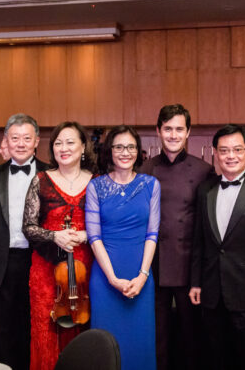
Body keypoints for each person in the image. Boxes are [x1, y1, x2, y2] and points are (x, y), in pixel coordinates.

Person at [189, 124, 245, 370]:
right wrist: (196, 281)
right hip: (211, 290)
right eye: (224, 150)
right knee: (216, 357)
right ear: (215, 154)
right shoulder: (204, 190)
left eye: (237, 149)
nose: (231, 156)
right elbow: (199, 241)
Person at [139, 104, 214, 370]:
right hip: (153, 268)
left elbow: (208, 227)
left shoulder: (204, 171)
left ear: (188, 132)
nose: (173, 135)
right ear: (158, 131)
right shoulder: (144, 170)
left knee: (191, 337)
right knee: (156, 335)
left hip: (189, 269)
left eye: (179, 129)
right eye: (168, 129)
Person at [0, 114, 48, 370]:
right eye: (14, 138)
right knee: (1, 329)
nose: (20, 143)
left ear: (37, 140)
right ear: (6, 140)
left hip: (38, 261)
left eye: (27, 138)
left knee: (34, 327)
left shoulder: (49, 174)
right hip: (0, 264)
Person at [85, 125, 160, 370]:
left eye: (130, 147)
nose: (125, 152)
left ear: (138, 151)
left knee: (141, 343)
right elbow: (94, 237)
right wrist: (113, 278)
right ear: (110, 151)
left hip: (142, 275)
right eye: (119, 146)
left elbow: (152, 234)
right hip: (106, 278)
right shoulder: (95, 187)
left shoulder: (151, 185)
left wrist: (142, 276)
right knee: (106, 345)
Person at [23, 121, 95, 370]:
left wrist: (87, 234)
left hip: (86, 269)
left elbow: (107, 225)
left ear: (83, 146)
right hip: (45, 270)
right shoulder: (40, 180)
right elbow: (28, 228)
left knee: (84, 331)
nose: (63, 148)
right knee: (46, 333)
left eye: (70, 142)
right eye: (57, 143)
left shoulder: (97, 181)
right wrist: (55, 236)